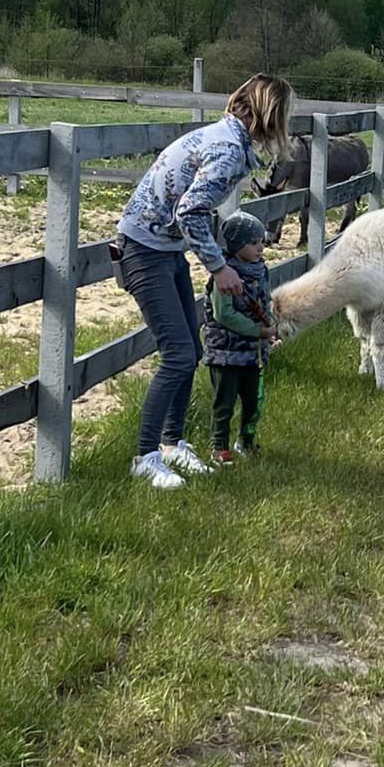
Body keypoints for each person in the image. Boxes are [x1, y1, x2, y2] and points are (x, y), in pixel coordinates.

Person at [114, 72, 294, 490]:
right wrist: (218, 266)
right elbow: (190, 211)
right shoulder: (228, 149)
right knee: (178, 354)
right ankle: (146, 456)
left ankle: (173, 444)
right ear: (269, 113)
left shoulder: (225, 139)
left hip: (164, 248)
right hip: (144, 250)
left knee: (191, 350)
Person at [203, 211, 277, 466]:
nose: (260, 247)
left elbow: (265, 302)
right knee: (224, 402)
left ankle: (246, 440)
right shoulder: (224, 276)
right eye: (253, 242)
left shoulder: (260, 271)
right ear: (236, 245)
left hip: (253, 352)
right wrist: (258, 331)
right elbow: (224, 314)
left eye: (261, 241)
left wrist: (270, 326)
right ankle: (219, 446)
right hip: (225, 351)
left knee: (253, 400)